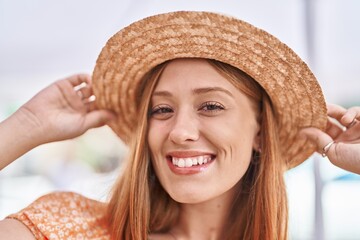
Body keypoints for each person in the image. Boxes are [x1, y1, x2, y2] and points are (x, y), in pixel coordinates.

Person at [0, 11, 359, 240]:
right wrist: (26, 126)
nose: (179, 131)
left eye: (211, 106)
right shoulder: (68, 228)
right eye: (161, 110)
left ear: (261, 134)